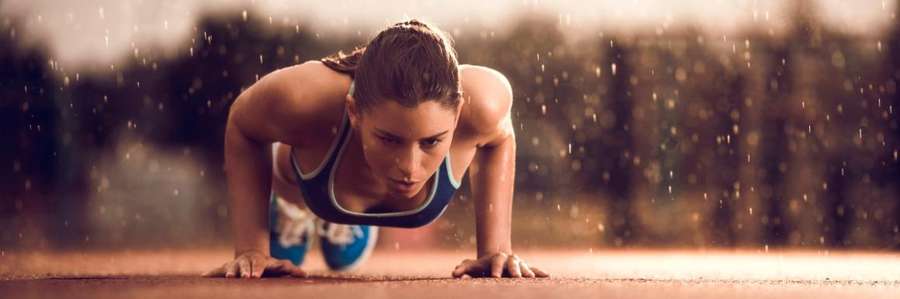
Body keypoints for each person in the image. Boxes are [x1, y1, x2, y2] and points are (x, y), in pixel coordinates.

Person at [204, 19, 548, 279]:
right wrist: (251, 247)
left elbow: (500, 137)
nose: (410, 168)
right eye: (389, 139)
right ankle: (292, 209)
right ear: (354, 112)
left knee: (343, 260)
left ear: (457, 114)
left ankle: (348, 220)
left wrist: (495, 249)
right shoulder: (302, 99)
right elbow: (243, 125)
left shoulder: (482, 104)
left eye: (431, 142)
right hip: (312, 175)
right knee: (290, 156)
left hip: (350, 171)